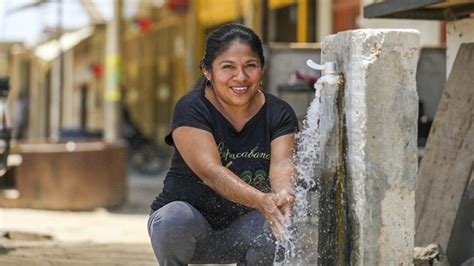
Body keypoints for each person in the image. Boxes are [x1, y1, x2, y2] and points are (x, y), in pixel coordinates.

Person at [147, 23, 298, 266]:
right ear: (207, 71)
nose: (241, 77)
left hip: (244, 231)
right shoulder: (192, 108)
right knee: (172, 220)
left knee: (277, 224)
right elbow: (211, 172)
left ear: (262, 68)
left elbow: (282, 165)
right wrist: (261, 200)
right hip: (192, 230)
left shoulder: (279, 113)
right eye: (228, 67)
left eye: (250, 66)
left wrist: (282, 197)